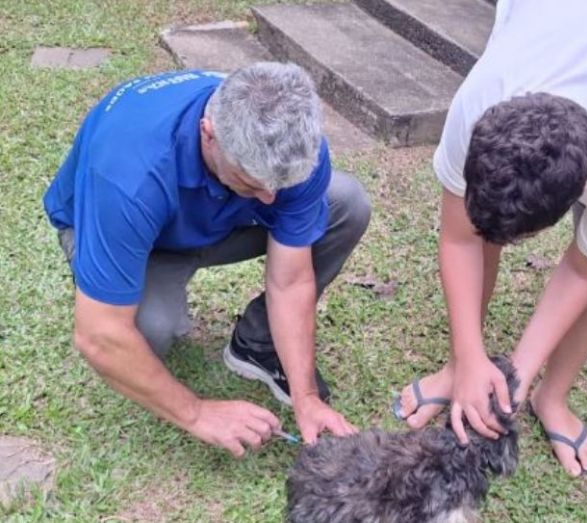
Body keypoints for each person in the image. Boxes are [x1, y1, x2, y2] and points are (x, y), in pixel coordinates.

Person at [393, 0, 587, 476]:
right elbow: (459, 238)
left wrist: (516, 377)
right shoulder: (478, 104)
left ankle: (552, 397)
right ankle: (456, 370)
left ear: (578, 195)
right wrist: (469, 357)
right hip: (544, 19)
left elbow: (583, 269)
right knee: (478, 227)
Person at [43, 62, 371, 457]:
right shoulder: (127, 174)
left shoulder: (296, 145)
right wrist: (198, 413)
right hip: (131, 233)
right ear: (209, 134)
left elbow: (291, 280)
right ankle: (136, 283)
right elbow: (97, 336)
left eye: (277, 186)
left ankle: (257, 345)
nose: (270, 199)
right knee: (146, 332)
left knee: (345, 203)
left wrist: (307, 398)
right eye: (252, 180)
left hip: (216, 216)